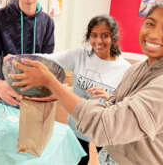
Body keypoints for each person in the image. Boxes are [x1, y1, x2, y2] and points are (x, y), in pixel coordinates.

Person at [10, 0, 163, 165]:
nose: (153, 35)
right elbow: (118, 105)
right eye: (150, 24)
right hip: (99, 145)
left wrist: (52, 84)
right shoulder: (139, 68)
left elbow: (107, 127)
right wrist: (18, 58)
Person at [35, 15, 130, 164]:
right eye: (94, 35)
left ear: (113, 38)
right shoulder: (79, 56)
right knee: (77, 161)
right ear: (88, 36)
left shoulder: (125, 69)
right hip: (77, 126)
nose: (99, 41)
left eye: (105, 35)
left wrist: (109, 97)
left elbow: (127, 106)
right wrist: (17, 57)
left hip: (104, 130)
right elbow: (47, 59)